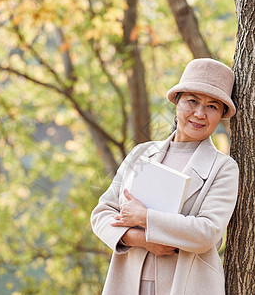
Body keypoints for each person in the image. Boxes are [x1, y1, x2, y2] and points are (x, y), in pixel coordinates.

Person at [90, 58, 239, 295]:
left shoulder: (223, 168)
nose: (200, 114)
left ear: (221, 114)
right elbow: (101, 214)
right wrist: (143, 239)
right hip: (128, 283)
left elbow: (207, 232)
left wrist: (146, 217)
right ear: (177, 101)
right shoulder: (141, 153)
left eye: (212, 106)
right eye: (192, 101)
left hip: (187, 285)